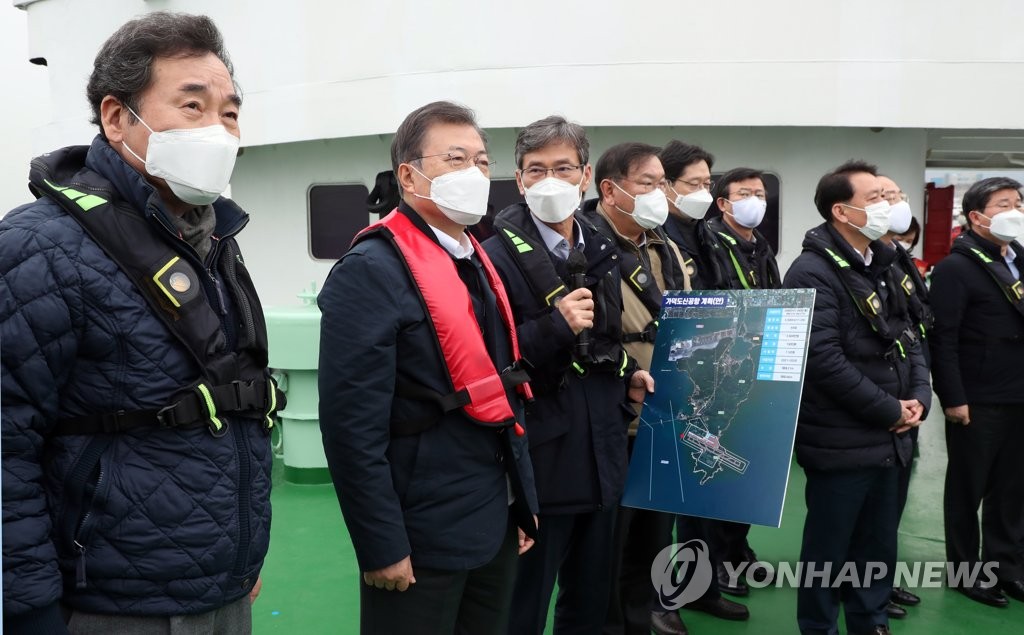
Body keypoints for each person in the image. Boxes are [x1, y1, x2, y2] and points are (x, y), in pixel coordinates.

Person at [1, 13, 278, 634]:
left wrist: (239, 551)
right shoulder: (38, 246)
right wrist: (28, 608)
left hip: (223, 589)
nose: (218, 128)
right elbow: (6, 443)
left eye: (229, 112)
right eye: (192, 105)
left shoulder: (212, 243)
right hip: (106, 605)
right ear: (117, 117)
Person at [318, 101, 539, 634]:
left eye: (483, 162)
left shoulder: (474, 259)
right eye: (456, 158)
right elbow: (352, 427)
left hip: (495, 517)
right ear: (408, 175)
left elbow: (503, 388)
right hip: (422, 534)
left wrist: (521, 503)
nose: (476, 174)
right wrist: (381, 545)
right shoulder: (369, 270)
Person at [481, 117, 655, 635]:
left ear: (584, 176)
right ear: (519, 180)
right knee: (524, 604)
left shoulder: (599, 250)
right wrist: (553, 327)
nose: (550, 181)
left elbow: (600, 343)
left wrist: (626, 374)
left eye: (562, 168)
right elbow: (492, 361)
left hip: (602, 451)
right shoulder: (492, 259)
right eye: (537, 170)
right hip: (542, 463)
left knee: (591, 601)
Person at [785, 160, 931, 635]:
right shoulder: (812, 271)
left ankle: (870, 624)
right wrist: (890, 410)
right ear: (841, 212)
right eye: (875, 199)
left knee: (876, 548)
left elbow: (912, 337)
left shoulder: (884, 264)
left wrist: (919, 399)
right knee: (829, 552)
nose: (889, 206)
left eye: (889, 198)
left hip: (891, 438)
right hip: (841, 442)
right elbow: (821, 359)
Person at [930, 176, 1024, 608]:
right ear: (976, 217)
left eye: (1019, 203)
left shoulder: (1019, 258)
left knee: (1013, 487)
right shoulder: (956, 268)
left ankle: (1007, 567)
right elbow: (943, 338)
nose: (1016, 212)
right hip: (978, 397)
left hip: (1018, 392)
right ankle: (967, 572)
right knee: (969, 488)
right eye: (1005, 205)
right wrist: (953, 398)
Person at [700, 167, 781, 596]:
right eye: (745, 193)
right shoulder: (711, 243)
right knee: (719, 467)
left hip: (758, 365)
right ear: (724, 204)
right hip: (722, 370)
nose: (756, 200)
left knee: (748, 466)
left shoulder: (760, 248)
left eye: (761, 193)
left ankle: (737, 548)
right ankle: (717, 562)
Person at [659, 141, 721, 289]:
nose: (703, 192)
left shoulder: (710, 235)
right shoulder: (654, 236)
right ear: (666, 185)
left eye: (706, 184)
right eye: (694, 184)